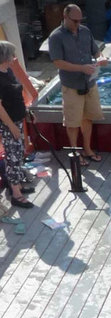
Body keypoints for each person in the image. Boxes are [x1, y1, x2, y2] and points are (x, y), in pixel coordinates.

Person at [48, 4, 107, 167]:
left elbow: (95, 51)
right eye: (75, 21)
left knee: (87, 118)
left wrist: (101, 58)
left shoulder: (85, 31)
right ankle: (74, 152)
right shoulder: (56, 37)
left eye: (80, 20)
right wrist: (81, 68)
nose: (78, 24)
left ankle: (87, 149)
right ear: (65, 17)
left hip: (89, 83)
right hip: (71, 85)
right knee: (73, 122)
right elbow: (57, 62)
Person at [0, 41, 36, 209]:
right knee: (12, 158)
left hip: (17, 119)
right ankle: (16, 194)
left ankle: (18, 185)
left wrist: (25, 112)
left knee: (19, 152)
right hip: (8, 124)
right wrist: (12, 126)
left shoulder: (7, 71)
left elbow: (16, 93)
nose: (14, 58)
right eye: (12, 55)